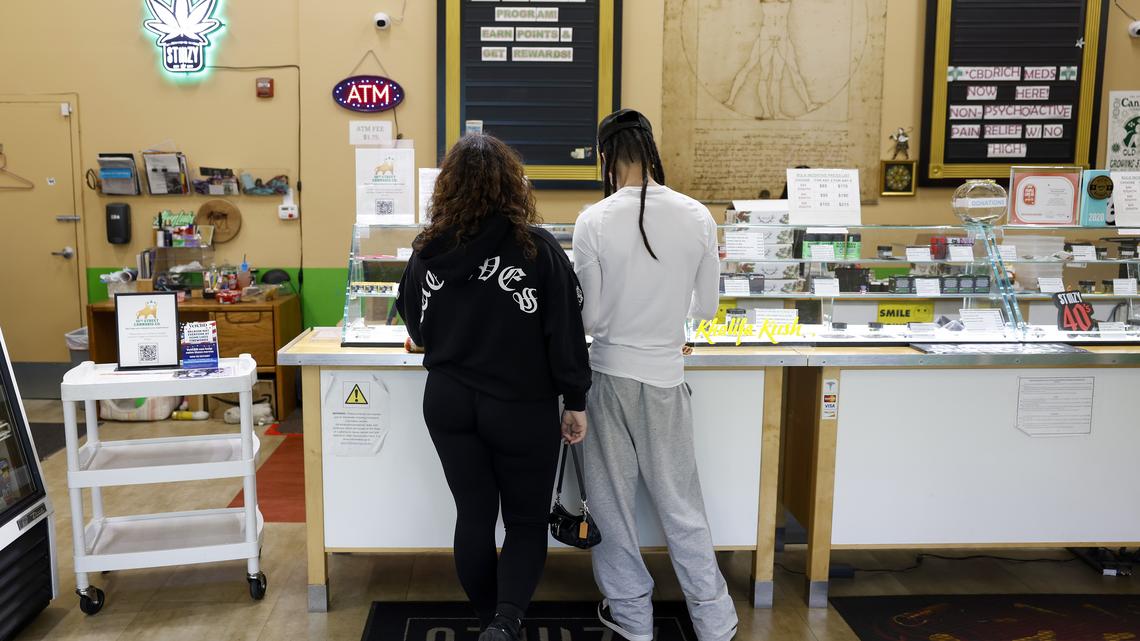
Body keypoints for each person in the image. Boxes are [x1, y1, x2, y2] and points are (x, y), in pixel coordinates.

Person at [395, 133, 591, 641]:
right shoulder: (537, 248)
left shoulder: (427, 251)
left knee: (473, 516)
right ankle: (505, 623)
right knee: (525, 521)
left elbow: (415, 326)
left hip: (449, 403)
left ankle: (488, 619)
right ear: (512, 185)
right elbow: (565, 333)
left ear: (448, 186)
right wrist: (575, 400)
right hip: (520, 406)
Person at [573, 110, 738, 641]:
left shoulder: (593, 220)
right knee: (682, 505)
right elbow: (707, 308)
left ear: (605, 156)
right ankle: (714, 618)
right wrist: (668, 319)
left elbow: (589, 320)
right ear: (651, 150)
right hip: (667, 377)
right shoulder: (698, 216)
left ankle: (632, 617)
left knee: (611, 507)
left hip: (608, 377)